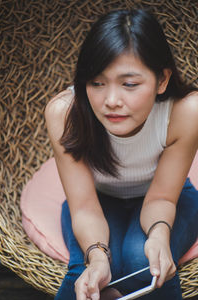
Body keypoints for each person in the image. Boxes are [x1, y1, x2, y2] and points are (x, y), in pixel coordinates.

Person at [45, 8, 198, 300]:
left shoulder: (186, 111)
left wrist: (159, 236)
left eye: (129, 84)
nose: (111, 100)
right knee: (87, 275)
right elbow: (85, 207)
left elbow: (162, 197)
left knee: (144, 262)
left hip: (167, 197)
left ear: (162, 79)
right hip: (97, 202)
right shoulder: (65, 112)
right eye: (97, 83)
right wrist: (98, 257)